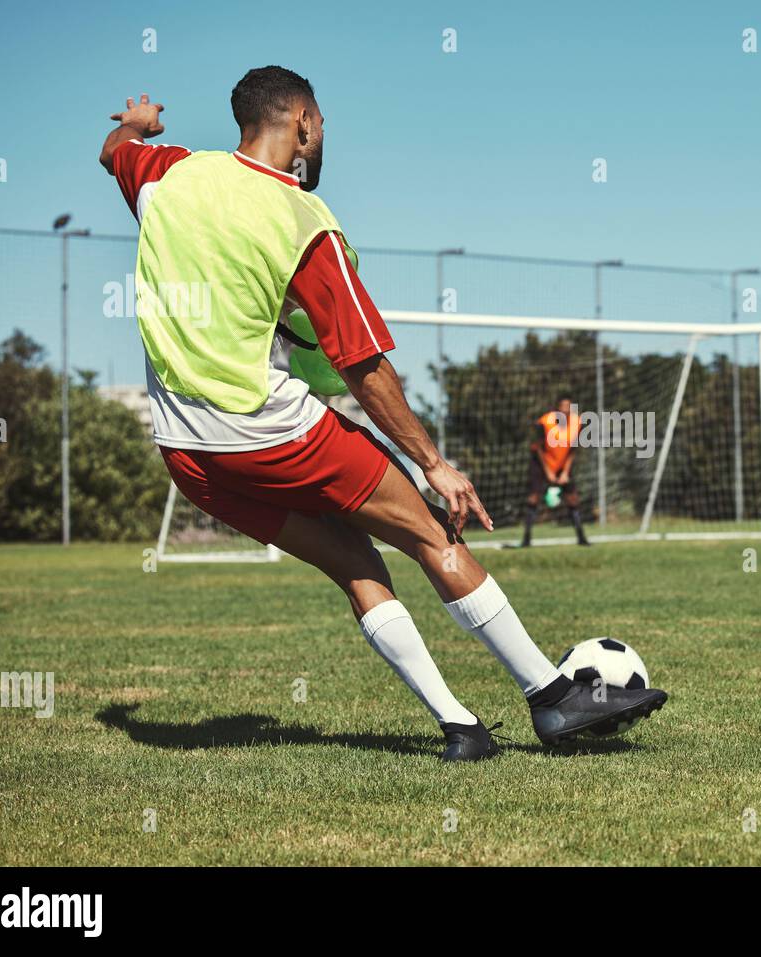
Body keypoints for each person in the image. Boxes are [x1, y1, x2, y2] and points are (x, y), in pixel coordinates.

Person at [98, 68, 665, 761]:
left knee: (352, 558)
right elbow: (363, 364)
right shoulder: (301, 219)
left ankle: (462, 729)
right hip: (271, 430)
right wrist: (434, 463)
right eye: (323, 121)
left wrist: (138, 121)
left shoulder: (167, 176)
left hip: (188, 454)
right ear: (302, 121)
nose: (323, 133)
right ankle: (552, 697)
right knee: (429, 530)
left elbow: (113, 150)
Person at [521, 395, 589, 547]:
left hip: (562, 464)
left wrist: (565, 472)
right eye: (562, 407)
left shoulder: (577, 423)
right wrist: (548, 472)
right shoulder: (545, 422)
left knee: (573, 498)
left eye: (568, 407)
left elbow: (573, 450)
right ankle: (526, 540)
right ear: (556, 408)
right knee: (534, 498)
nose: (565, 411)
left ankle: (582, 538)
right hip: (541, 463)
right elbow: (538, 448)